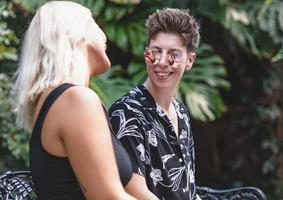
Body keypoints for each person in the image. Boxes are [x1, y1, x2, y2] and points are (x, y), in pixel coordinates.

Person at [11, 1, 157, 199]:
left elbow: (129, 189)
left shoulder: (57, 101)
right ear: (77, 34)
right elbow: (107, 196)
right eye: (93, 23)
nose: (104, 35)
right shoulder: (75, 100)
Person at [109, 8, 202, 200]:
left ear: (190, 61)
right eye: (155, 52)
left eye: (173, 55)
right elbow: (134, 191)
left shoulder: (182, 112)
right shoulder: (127, 112)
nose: (161, 61)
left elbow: (188, 190)